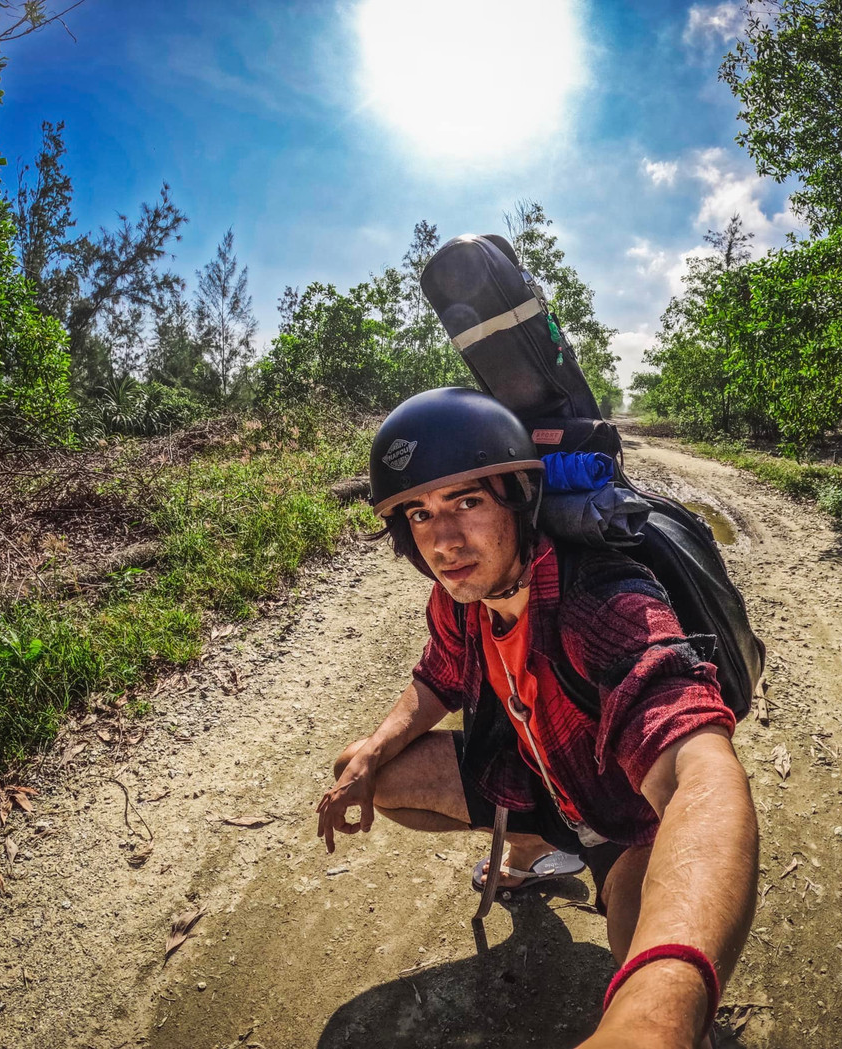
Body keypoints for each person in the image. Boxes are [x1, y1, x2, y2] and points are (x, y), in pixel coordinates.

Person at [316, 387, 758, 1049]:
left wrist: (657, 1012)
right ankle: (538, 851)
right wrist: (372, 752)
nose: (443, 540)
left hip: (624, 824)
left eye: (467, 501)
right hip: (537, 777)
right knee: (370, 769)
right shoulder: (463, 597)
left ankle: (663, 999)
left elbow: (702, 772)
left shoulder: (606, 604)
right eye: (419, 512)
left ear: (520, 497)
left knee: (647, 959)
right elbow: (437, 676)